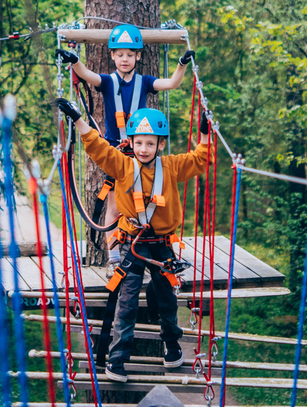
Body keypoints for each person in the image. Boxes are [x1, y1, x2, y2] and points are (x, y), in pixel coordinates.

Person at [54, 99, 213, 383]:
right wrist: (78, 119)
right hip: (132, 245)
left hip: (162, 245)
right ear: (131, 142)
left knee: (166, 297)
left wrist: (204, 134)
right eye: (139, 143)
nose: (143, 149)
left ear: (160, 145)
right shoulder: (123, 165)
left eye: (150, 144)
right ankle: (117, 360)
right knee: (126, 303)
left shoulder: (172, 166)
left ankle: (172, 347)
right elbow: (97, 146)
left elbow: (200, 160)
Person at [56, 24, 195, 276]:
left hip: (143, 151)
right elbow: (87, 75)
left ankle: (158, 250)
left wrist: (182, 64)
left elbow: (173, 83)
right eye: (119, 54)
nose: (124, 59)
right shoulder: (108, 82)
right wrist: (75, 60)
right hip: (117, 154)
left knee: (151, 200)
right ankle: (113, 258)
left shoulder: (145, 82)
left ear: (138, 57)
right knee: (114, 206)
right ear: (112, 56)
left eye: (130, 54)